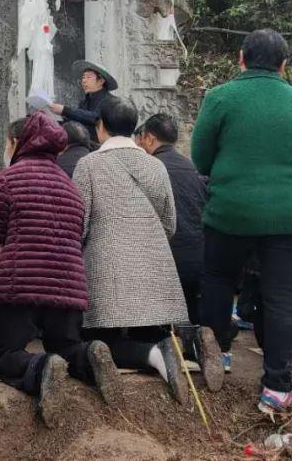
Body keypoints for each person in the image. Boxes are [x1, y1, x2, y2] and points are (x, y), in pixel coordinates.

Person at [190, 28, 292, 412]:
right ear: (284, 65)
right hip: (290, 216)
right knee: (282, 297)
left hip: (232, 211)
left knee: (217, 280)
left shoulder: (220, 97)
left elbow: (200, 158)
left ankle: (216, 356)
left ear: (241, 59)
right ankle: (277, 387)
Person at [0, 115, 121, 426]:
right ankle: (89, 355)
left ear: (20, 143)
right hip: (69, 289)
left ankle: (42, 367)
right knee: (67, 347)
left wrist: (5, 280)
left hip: (21, 289)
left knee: (4, 357)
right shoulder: (71, 189)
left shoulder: (6, 179)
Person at [75, 97, 207, 404]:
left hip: (107, 270)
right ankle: (192, 345)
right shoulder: (155, 165)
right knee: (151, 329)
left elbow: (79, 223)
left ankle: (153, 355)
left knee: (97, 343)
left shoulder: (89, 165)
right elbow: (169, 223)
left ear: (100, 127)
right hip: (154, 272)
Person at [137, 114, 208, 328]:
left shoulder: (148, 167)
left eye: (140, 138)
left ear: (149, 138)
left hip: (162, 261)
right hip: (196, 258)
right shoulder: (192, 168)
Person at [49, 60, 117, 143]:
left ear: (101, 81)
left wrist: (64, 110)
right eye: (83, 77)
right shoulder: (84, 102)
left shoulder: (111, 101)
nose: (84, 81)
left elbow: (94, 118)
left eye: (88, 77)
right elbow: (77, 120)